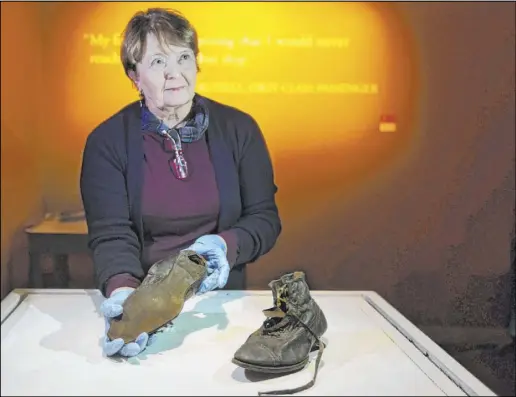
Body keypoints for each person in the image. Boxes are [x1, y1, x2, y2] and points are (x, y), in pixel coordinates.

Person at [79, 7, 281, 357]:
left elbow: (264, 218)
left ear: (196, 64)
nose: (175, 74)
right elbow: (112, 234)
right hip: (145, 297)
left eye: (184, 57)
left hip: (221, 303)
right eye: (158, 62)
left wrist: (226, 245)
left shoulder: (240, 129)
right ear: (134, 75)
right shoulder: (107, 141)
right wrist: (126, 296)